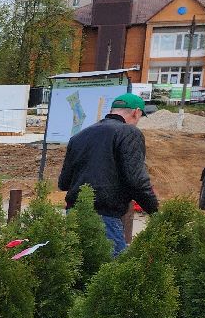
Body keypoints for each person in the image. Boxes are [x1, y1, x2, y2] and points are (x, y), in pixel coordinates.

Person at [57, 92, 159, 257]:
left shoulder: (79, 136)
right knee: (111, 276)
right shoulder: (129, 133)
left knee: (77, 270)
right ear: (136, 112)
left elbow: (64, 183)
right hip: (105, 218)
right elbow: (136, 180)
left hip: (74, 215)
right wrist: (155, 210)